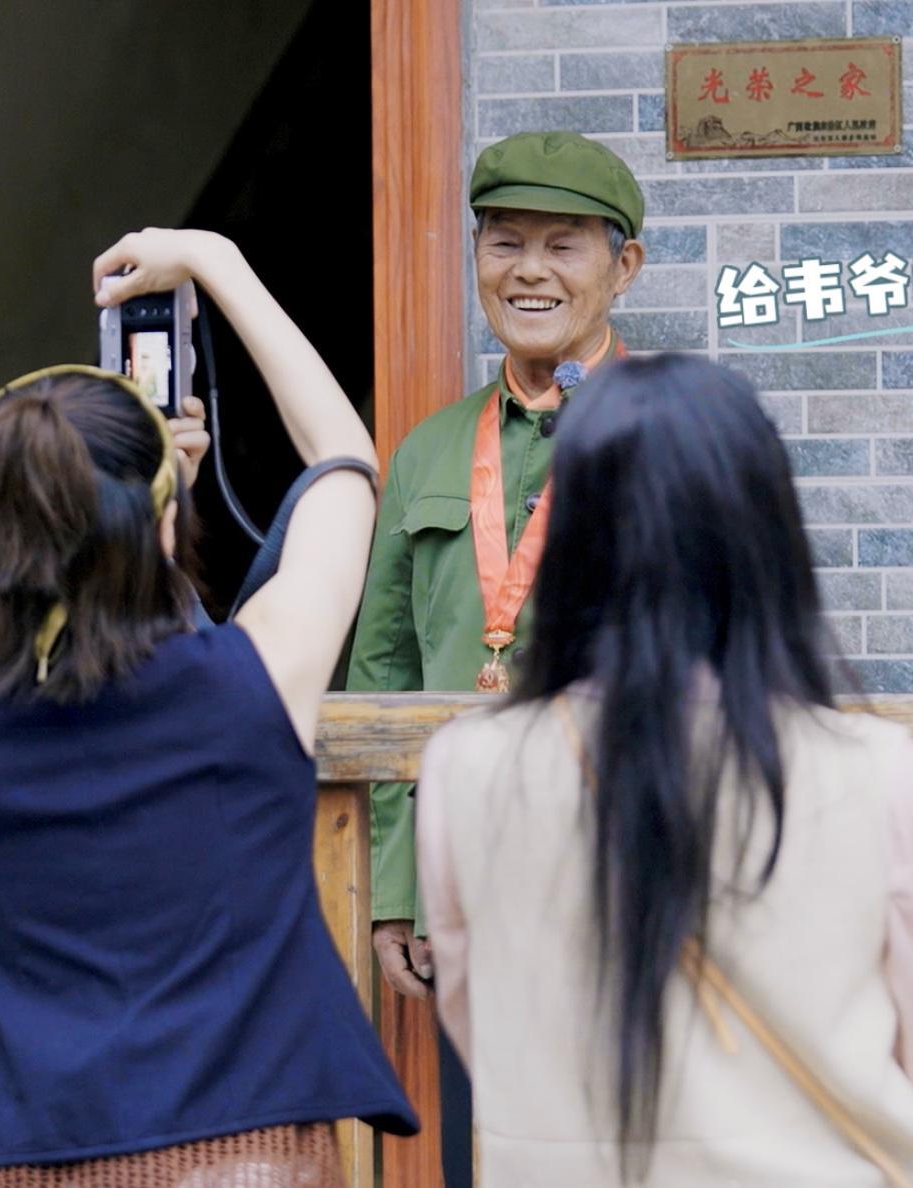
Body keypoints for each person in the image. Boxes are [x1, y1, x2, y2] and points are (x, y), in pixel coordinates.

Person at [0, 228, 417, 1187]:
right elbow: (343, 457)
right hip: (248, 1154)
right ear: (160, 520)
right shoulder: (251, 682)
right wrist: (216, 259)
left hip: (34, 1159)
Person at [414, 353, 913, 1186]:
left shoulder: (463, 769)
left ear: (570, 540)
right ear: (765, 535)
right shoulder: (885, 775)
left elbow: (480, 1031)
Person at [345, 128, 648, 1181]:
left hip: (628, 869)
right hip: (469, 878)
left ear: (624, 264)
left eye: (563, 245)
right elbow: (381, 675)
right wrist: (396, 886)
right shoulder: (428, 448)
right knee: (489, 1156)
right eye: (505, 241)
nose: (529, 271)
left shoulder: (670, 435)